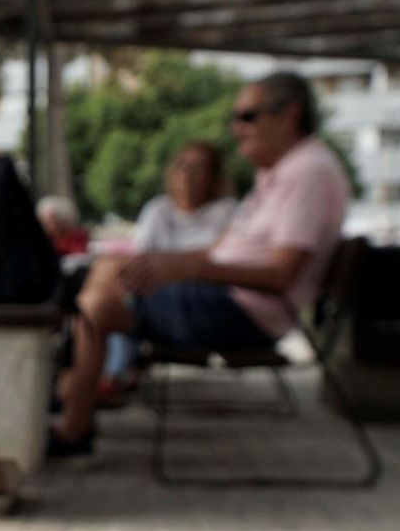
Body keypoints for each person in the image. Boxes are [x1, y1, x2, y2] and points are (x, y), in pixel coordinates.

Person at [51, 72, 350, 457]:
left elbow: (280, 275)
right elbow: (216, 253)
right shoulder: (280, 173)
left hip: (242, 314)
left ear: (289, 115)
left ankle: (74, 411)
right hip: (228, 302)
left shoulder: (307, 171)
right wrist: (163, 263)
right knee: (105, 278)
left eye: (247, 116)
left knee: (94, 306)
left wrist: (187, 269)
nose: (236, 128)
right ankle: (79, 401)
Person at [99, 142, 238, 400]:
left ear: (213, 176)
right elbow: (141, 258)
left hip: (199, 304)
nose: (187, 174)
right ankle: (110, 374)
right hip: (161, 297)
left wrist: (164, 266)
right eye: (182, 166)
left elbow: (216, 261)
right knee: (109, 289)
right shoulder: (157, 208)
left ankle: (111, 375)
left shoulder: (226, 211)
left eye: (197, 168)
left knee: (107, 302)